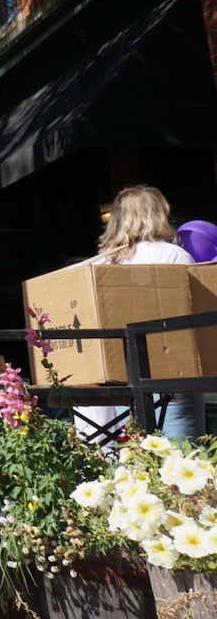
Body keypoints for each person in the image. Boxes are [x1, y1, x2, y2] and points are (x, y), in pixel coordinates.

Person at [91, 185, 199, 439]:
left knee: (135, 450)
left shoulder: (101, 264)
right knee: (182, 452)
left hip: (124, 372)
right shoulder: (175, 256)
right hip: (175, 370)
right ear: (157, 215)